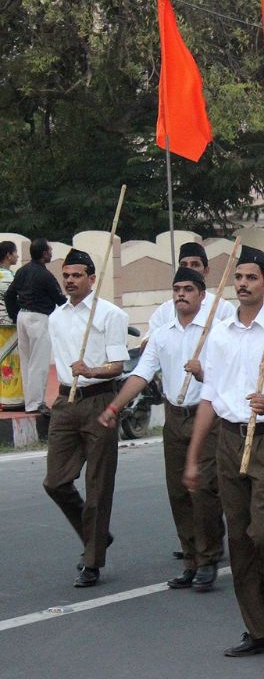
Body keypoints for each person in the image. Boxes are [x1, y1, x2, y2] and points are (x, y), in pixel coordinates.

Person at [183, 246, 264, 656]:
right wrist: (193, 456)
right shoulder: (220, 334)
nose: (243, 284)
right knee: (239, 540)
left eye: (251, 278)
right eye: (238, 277)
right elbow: (210, 397)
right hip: (229, 438)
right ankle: (258, 631)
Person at [107, 267, 224, 591]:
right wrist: (115, 406)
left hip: (207, 415)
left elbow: (227, 379)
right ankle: (190, 559)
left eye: (188, 288)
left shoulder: (218, 332)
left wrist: (203, 373)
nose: (181, 294)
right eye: (177, 289)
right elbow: (142, 374)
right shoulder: (162, 334)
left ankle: (209, 558)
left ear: (202, 295)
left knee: (202, 489)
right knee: (177, 491)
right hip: (175, 417)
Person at [44, 248, 129, 588]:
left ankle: (92, 561)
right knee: (55, 482)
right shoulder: (56, 316)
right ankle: (96, 536)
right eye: (66, 275)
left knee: (97, 486)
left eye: (77, 275)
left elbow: (119, 366)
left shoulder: (110, 315)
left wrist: (91, 369)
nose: (70, 280)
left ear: (92, 279)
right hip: (66, 402)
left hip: (99, 400)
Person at [4, 237, 66, 413]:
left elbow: (9, 296)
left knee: (26, 362)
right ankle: (36, 404)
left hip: (22, 317)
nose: (51, 253)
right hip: (38, 318)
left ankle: (29, 402)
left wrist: (15, 316)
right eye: (50, 250)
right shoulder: (45, 275)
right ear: (44, 253)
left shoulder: (22, 271)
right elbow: (60, 300)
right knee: (38, 363)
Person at [147, 242, 235, 335]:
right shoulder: (164, 310)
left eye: (195, 265)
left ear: (206, 271)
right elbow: (148, 343)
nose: (188, 269)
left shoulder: (223, 308)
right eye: (184, 265)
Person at [0, 241, 21, 408]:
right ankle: (11, 398)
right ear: (8, 255)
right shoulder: (8, 277)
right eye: (15, 253)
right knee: (10, 361)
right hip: (8, 324)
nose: (17, 256)